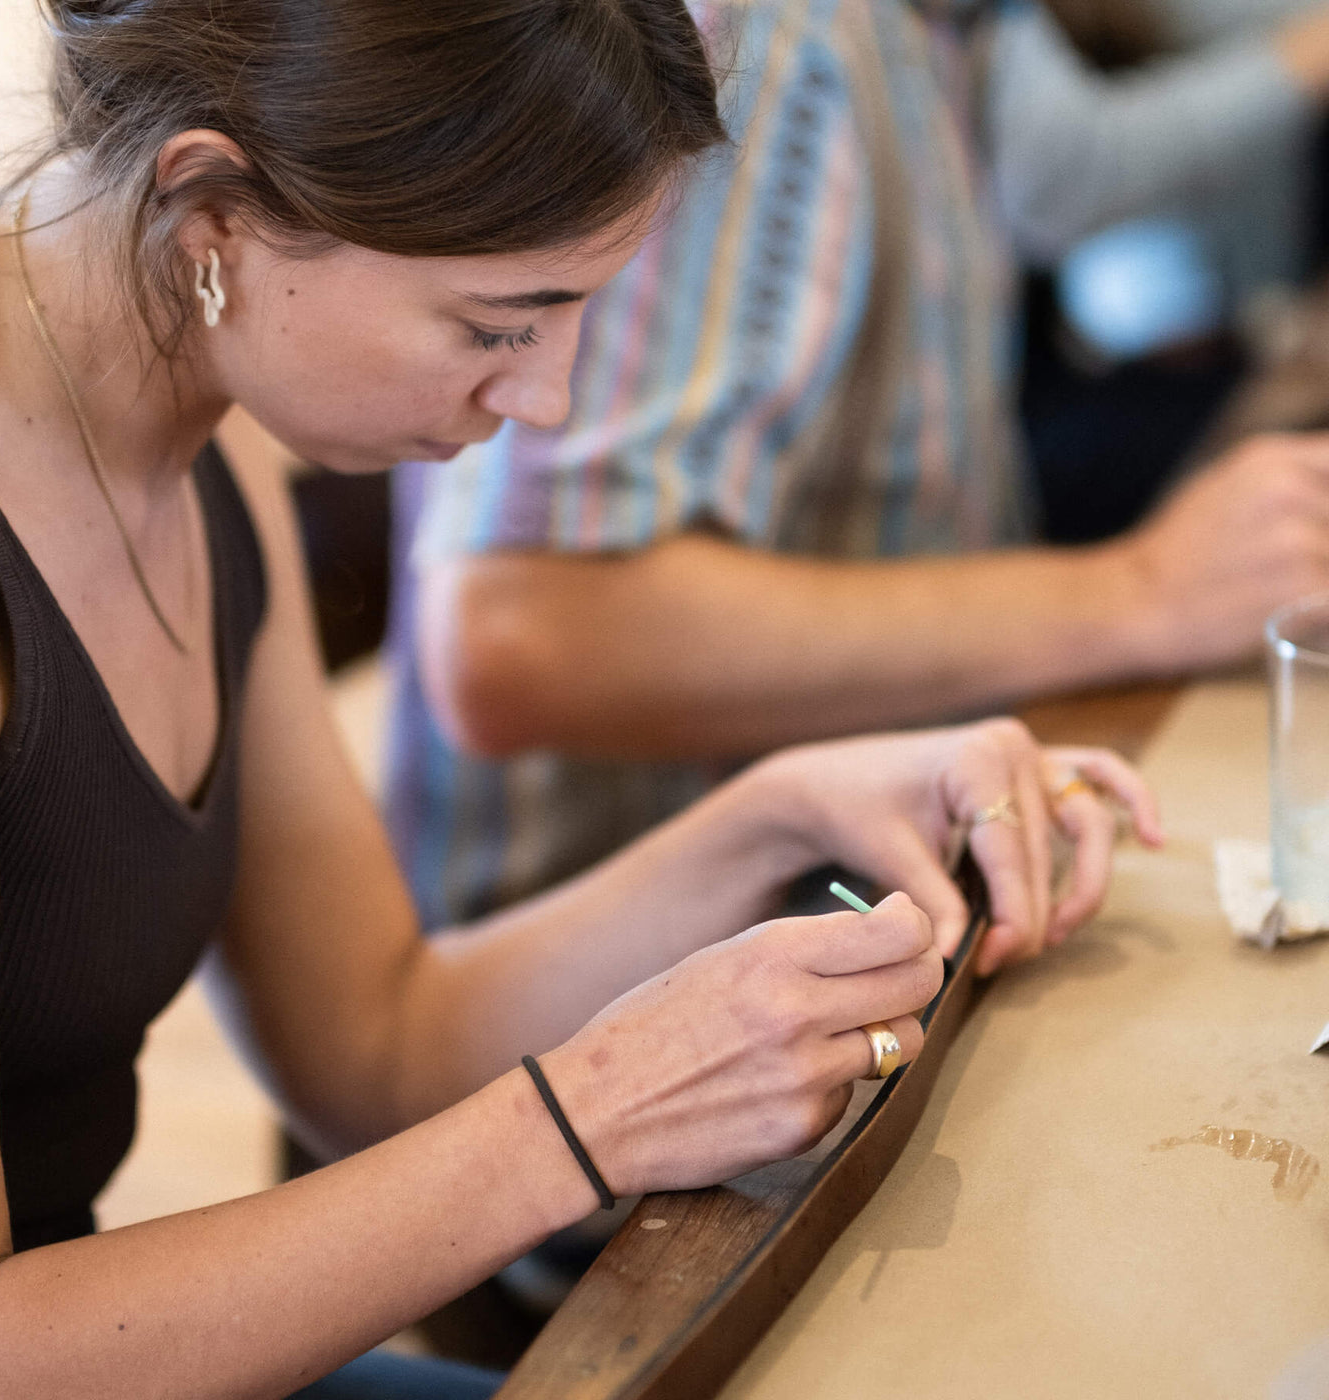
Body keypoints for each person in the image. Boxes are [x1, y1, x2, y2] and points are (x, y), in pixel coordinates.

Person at [0, 1, 1160, 1397]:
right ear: (212, 212)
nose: (549, 401)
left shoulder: (199, 417)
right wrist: (590, 1116)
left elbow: (375, 1043)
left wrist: (782, 811)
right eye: (495, 325)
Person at [386, 0, 1329, 931]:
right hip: (643, 968)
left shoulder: (928, 35)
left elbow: (1082, 173)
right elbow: (520, 635)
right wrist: (1141, 591)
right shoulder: (768, 45)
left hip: (859, 891)